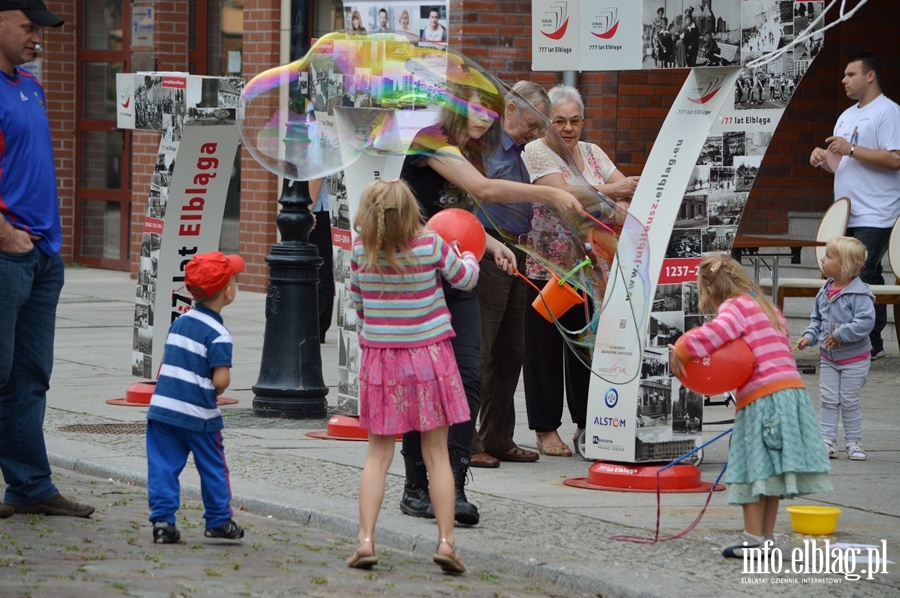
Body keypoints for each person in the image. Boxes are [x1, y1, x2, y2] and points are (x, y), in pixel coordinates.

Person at [397, 78, 584, 526]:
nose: (489, 118)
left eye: (492, 110)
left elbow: (458, 215)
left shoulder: (467, 146)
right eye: (481, 108)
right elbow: (483, 191)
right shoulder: (432, 140)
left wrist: (487, 244)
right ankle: (416, 487)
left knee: (465, 377)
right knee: (426, 382)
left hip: (458, 270)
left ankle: (455, 487)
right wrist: (550, 193)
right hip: (418, 277)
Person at [345, 179, 477, 574]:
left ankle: (366, 540)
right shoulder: (431, 245)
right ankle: (446, 542)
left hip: (382, 362)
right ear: (411, 212)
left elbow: (359, 306)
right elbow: (465, 279)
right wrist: (468, 256)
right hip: (430, 358)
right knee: (436, 455)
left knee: (377, 455)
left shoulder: (359, 252)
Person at [669, 254, 832, 559]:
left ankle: (752, 539)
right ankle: (766, 538)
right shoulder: (766, 306)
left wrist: (682, 349)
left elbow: (716, 334)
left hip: (762, 397)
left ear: (714, 291)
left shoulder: (735, 307)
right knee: (769, 474)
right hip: (790, 394)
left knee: (752, 468)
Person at [0, 1, 94, 520]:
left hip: (40, 257)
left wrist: (41, 245)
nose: (38, 38)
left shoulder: (30, 87)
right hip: (7, 254)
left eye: (41, 30)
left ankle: (30, 487)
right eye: (29, 27)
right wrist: (7, 235)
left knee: (29, 375)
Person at [521, 85, 638, 456]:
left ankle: (588, 424)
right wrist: (611, 190)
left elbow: (626, 193)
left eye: (575, 120)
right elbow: (567, 195)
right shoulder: (535, 151)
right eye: (559, 121)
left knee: (584, 350)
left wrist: (608, 192)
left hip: (589, 265)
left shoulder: (592, 152)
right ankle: (545, 428)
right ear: (546, 122)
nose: (568, 128)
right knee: (544, 350)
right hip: (545, 265)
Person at [470, 81, 551, 469]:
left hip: (517, 250)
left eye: (540, 128)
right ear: (512, 108)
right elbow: (478, 194)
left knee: (510, 350)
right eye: (532, 124)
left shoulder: (527, 151)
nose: (536, 134)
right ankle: (465, 439)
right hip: (486, 248)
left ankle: (498, 436)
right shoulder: (484, 144)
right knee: (481, 348)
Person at [146, 252, 246, 543]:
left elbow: (169, 361)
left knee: (163, 467)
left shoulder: (180, 322)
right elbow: (221, 379)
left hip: (163, 410)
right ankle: (218, 519)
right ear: (228, 292)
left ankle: (163, 522)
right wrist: (218, 389)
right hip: (200, 416)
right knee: (213, 466)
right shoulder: (219, 333)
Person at [809, 51, 900, 361]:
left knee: (860, 272)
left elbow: (895, 159)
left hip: (876, 211)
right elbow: (841, 164)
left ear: (870, 76)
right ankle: (862, 339)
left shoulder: (888, 112)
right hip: (845, 211)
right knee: (854, 273)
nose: (844, 80)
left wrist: (851, 148)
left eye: (851, 75)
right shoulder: (846, 116)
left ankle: (869, 343)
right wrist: (823, 159)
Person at [796, 237, 875, 461]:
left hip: (855, 359)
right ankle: (827, 440)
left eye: (829, 256)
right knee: (828, 399)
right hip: (829, 358)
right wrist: (808, 337)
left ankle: (853, 442)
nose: (823, 259)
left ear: (846, 266)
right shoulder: (825, 291)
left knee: (849, 400)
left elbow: (865, 323)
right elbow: (817, 320)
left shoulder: (860, 295)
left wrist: (840, 333)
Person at [309, 177, 335, 343]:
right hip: (319, 208)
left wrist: (307, 210)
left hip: (319, 210)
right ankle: (316, 325)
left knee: (320, 267)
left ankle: (318, 327)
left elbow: (316, 175)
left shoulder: (314, 149)